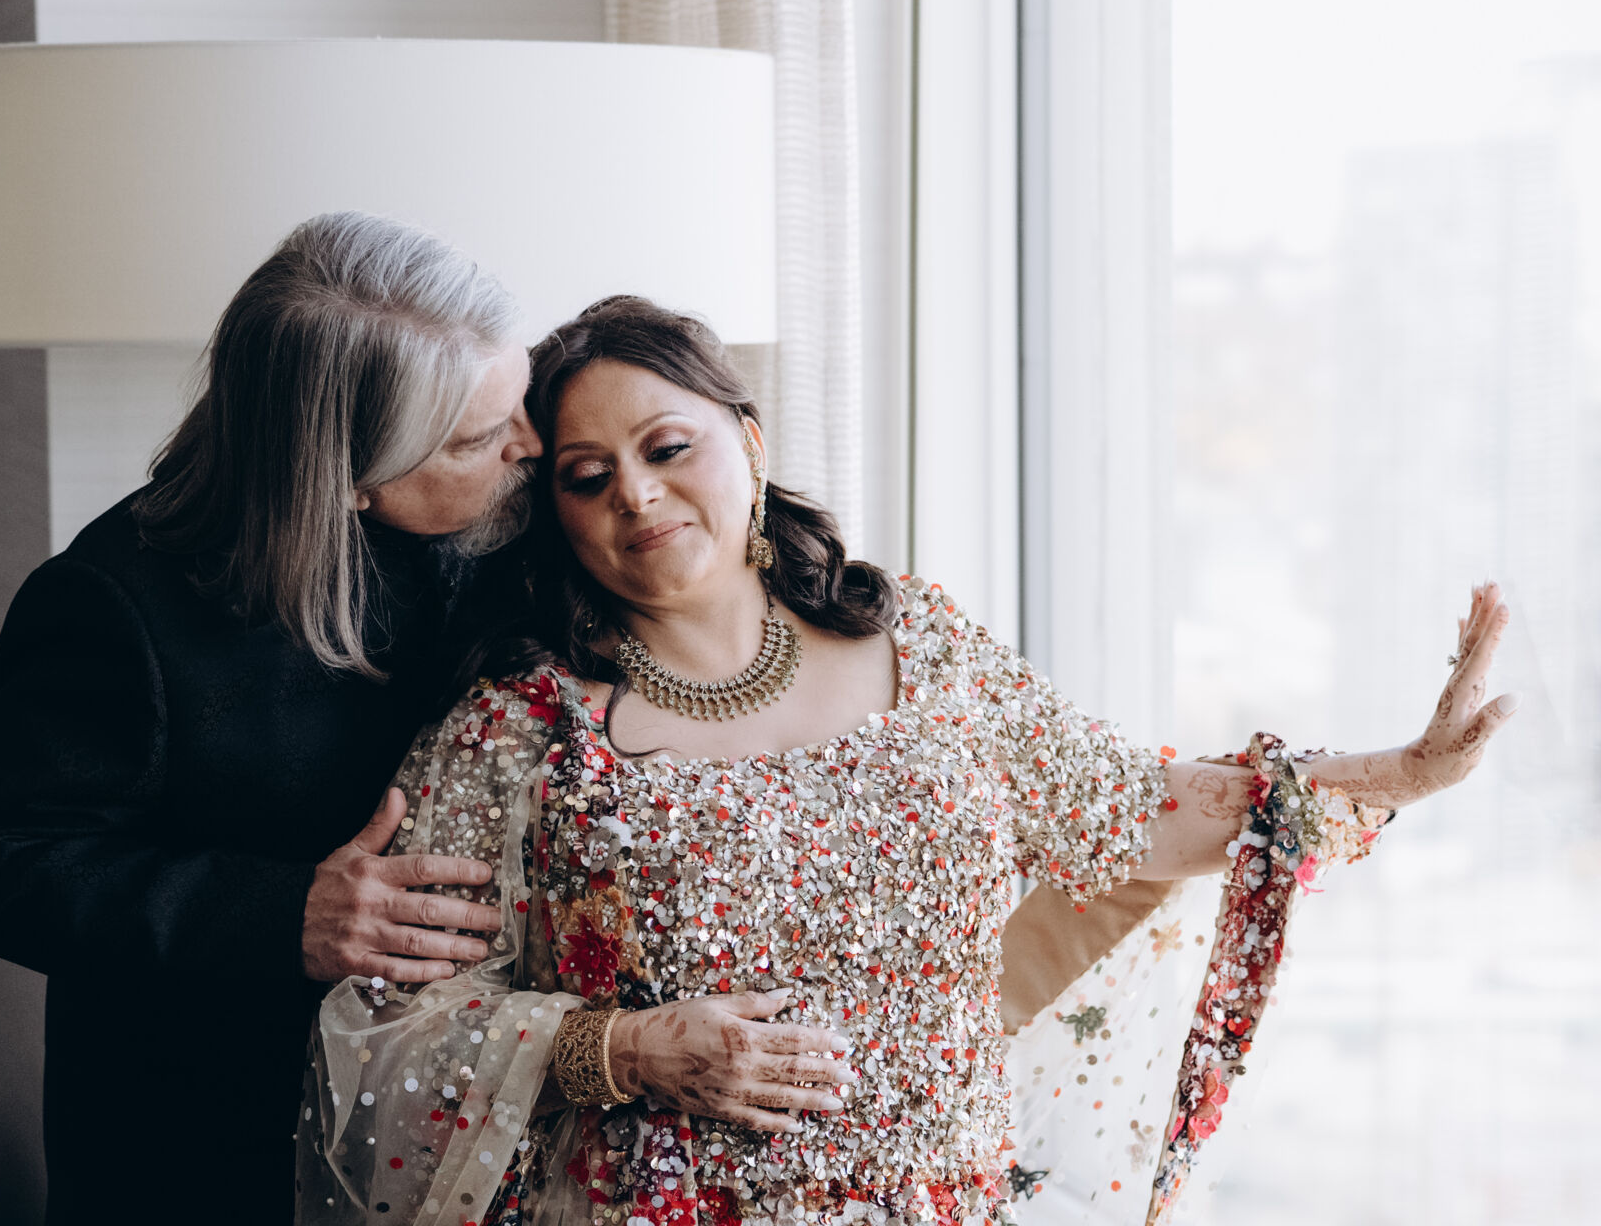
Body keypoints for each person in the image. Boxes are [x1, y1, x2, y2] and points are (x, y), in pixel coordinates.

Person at [296, 296, 1517, 1226]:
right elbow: (392, 1036)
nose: (638, 494)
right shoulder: (523, 733)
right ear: (556, 511)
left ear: (749, 440)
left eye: (668, 447)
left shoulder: (920, 645)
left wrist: (1398, 772)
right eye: (588, 475)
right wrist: (623, 1048)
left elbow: (1131, 810)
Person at [0, 212, 550, 1224]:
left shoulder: (501, 523)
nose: (530, 444)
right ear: (353, 478)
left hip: (455, 1136)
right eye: (480, 437)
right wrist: (282, 913)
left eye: (520, 398)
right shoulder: (114, 603)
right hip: (202, 1146)